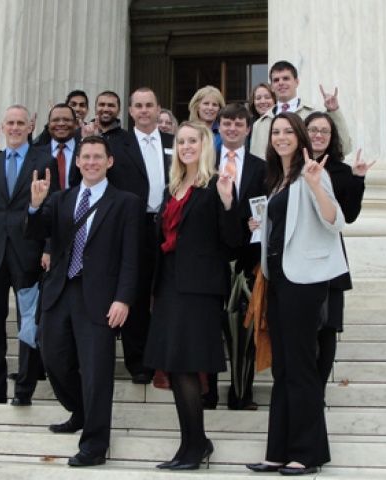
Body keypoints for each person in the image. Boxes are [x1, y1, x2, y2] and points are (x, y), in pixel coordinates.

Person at [26, 136, 142, 467]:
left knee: (97, 372)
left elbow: (132, 257)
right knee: (54, 360)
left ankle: (94, 444)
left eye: (97, 157)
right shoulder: (61, 199)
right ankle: (81, 410)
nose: (91, 162)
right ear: (77, 162)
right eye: (85, 156)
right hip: (61, 291)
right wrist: (35, 206)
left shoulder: (126, 203)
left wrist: (124, 298)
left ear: (109, 162)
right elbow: (35, 232)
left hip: (101, 297)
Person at [246, 112, 347, 475]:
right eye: (276, 131)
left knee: (302, 368)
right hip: (279, 279)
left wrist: (318, 184)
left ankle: (307, 453)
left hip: (305, 281)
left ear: (301, 136)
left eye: (289, 131)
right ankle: (279, 451)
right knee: (284, 369)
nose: (281, 136)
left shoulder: (311, 173)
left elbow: (335, 220)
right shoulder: (277, 178)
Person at [144, 121, 241, 470]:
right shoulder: (173, 188)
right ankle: (192, 443)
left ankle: (195, 444)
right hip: (169, 285)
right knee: (173, 365)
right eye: (181, 141)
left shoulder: (216, 184)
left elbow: (232, 243)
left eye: (193, 141)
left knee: (186, 364)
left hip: (198, 289)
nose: (186, 146)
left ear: (204, 146)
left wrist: (229, 202)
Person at [0, 105, 59, 406]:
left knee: (28, 321)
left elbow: (52, 208)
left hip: (28, 253)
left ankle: (24, 389)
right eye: (10, 123)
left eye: (20, 123)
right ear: (1, 129)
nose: (15, 128)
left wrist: (48, 247)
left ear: (30, 127)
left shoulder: (45, 161)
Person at [106, 87, 174, 384]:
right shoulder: (115, 145)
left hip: (170, 225)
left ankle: (165, 357)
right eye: (139, 106)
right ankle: (139, 363)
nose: (144, 110)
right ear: (130, 111)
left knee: (166, 293)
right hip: (133, 226)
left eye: (150, 105)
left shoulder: (175, 142)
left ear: (159, 109)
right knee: (134, 291)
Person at [304, 112, 375, 395]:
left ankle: (317, 391)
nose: (318, 135)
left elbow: (350, 215)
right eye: (313, 130)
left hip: (331, 257)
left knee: (328, 327)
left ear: (332, 138)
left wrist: (358, 179)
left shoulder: (342, 172)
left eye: (325, 131)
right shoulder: (292, 165)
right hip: (297, 257)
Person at [202, 103, 267, 411]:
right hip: (210, 255)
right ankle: (208, 392)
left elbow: (266, 207)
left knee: (244, 328)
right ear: (219, 127)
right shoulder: (205, 163)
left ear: (247, 128)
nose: (231, 129)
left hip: (246, 258)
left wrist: (260, 225)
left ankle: (241, 394)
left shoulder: (261, 167)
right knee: (210, 329)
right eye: (226, 124)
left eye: (238, 124)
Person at [250, 60, 352, 160]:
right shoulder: (260, 124)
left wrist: (334, 111)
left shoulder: (316, 113)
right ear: (272, 86)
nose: (281, 83)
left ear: (296, 82)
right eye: (276, 80)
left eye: (286, 78)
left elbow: (343, 149)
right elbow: (256, 163)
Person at [188, 85, 225, 151]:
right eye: (206, 103)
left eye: (214, 105)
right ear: (197, 107)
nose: (210, 108)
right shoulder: (187, 131)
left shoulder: (224, 133)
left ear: (220, 109)